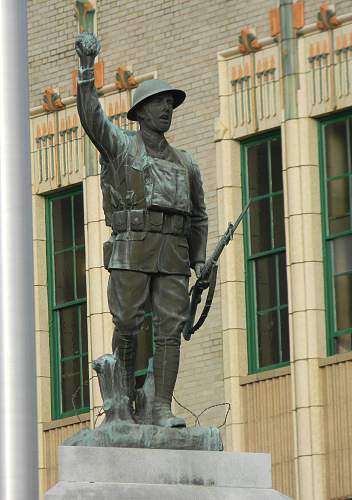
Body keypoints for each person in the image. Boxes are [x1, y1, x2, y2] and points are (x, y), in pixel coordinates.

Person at [75, 32, 208, 428]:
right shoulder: (120, 146)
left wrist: (199, 258)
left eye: (170, 104)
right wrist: (86, 68)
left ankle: (161, 407)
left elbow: (198, 215)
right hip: (132, 246)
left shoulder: (186, 163)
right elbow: (91, 116)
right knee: (129, 322)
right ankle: (123, 400)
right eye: (159, 103)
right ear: (141, 112)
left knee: (170, 325)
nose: (167, 109)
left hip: (173, 251)